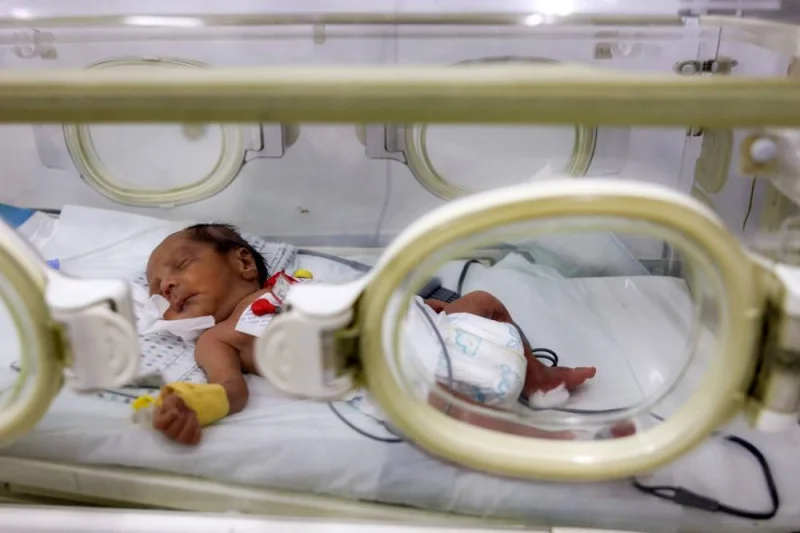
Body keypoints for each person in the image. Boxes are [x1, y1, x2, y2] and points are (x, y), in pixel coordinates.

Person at [145, 223, 601, 445]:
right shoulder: (220, 337)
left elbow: (362, 298)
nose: (166, 286)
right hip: (369, 363)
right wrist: (197, 406)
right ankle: (522, 439)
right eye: (156, 289)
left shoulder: (294, 283)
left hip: (404, 323)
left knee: (483, 302)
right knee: (428, 396)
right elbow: (231, 389)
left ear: (244, 262)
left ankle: (539, 381)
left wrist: (433, 309)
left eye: (180, 266)